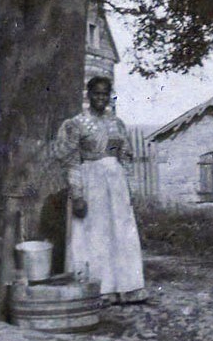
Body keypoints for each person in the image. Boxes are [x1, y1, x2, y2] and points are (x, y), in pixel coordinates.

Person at [53, 76, 146, 303]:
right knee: (94, 235)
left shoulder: (117, 124)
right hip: (91, 182)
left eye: (105, 94)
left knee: (120, 232)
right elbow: (72, 160)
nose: (101, 98)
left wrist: (130, 189)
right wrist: (77, 195)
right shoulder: (76, 124)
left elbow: (125, 158)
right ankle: (99, 289)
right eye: (96, 93)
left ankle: (126, 287)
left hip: (115, 184)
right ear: (88, 95)